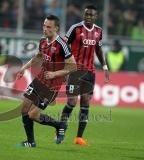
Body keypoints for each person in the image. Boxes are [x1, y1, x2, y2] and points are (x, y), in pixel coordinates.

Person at [16, 15, 76, 147]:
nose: (45, 29)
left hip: (52, 86)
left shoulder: (62, 44)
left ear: (56, 28)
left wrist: (55, 73)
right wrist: (23, 68)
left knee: (33, 115)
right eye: (44, 25)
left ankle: (59, 125)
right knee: (24, 109)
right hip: (39, 80)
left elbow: (73, 66)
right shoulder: (43, 41)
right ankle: (31, 142)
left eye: (48, 27)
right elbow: (38, 57)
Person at [58, 5, 110, 146]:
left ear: (95, 17)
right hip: (75, 71)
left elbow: (98, 49)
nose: (88, 17)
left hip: (90, 72)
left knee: (86, 103)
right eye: (86, 14)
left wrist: (104, 66)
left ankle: (79, 138)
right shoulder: (75, 28)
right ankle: (60, 130)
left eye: (91, 15)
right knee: (72, 102)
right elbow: (63, 46)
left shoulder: (98, 31)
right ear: (83, 15)